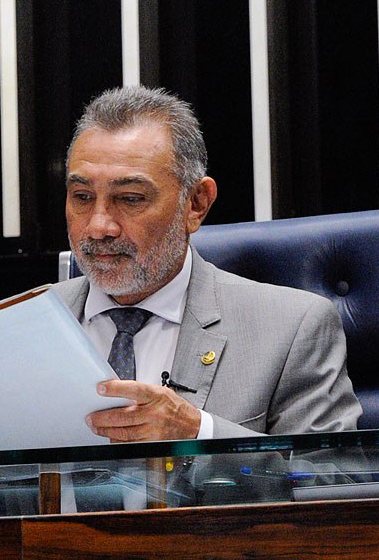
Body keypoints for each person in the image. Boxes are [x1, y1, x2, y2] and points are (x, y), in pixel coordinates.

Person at [54, 86, 362, 441]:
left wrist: (200, 433)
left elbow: (329, 471)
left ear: (196, 203)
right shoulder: (18, 327)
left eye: (130, 198)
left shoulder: (292, 329)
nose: (98, 227)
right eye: (82, 197)